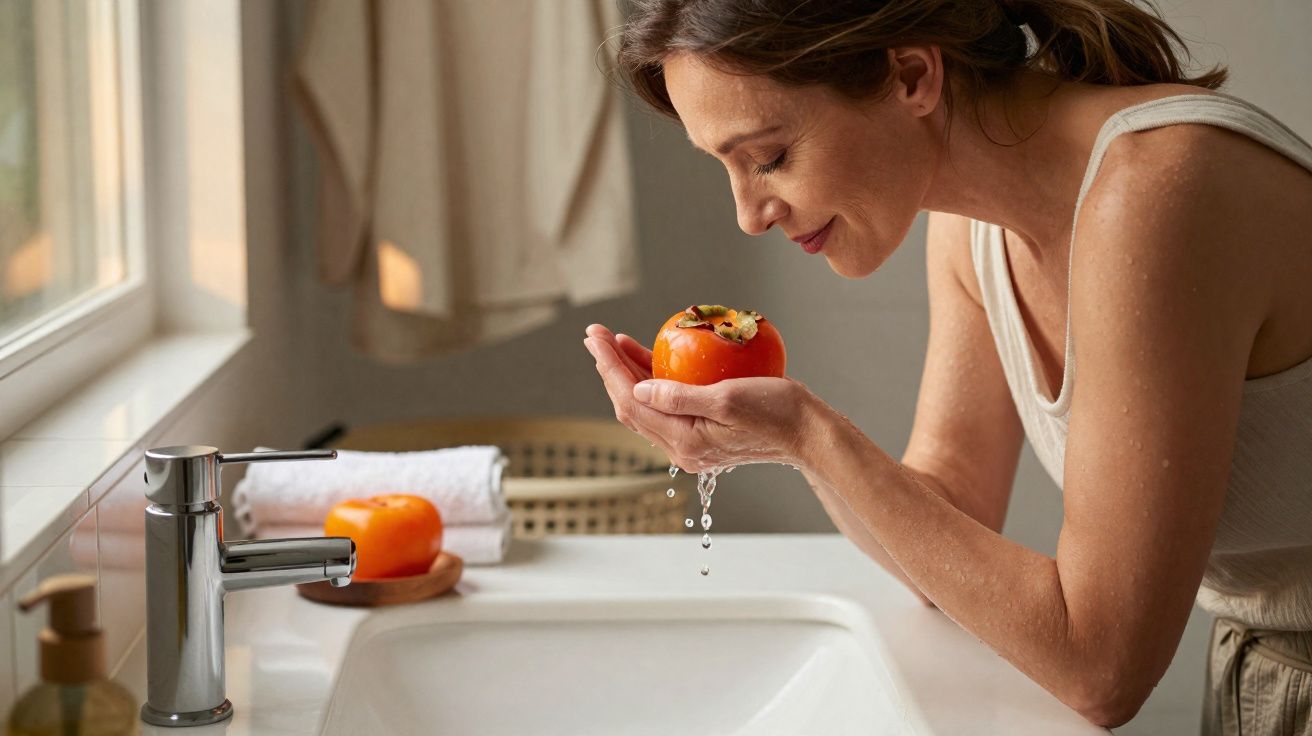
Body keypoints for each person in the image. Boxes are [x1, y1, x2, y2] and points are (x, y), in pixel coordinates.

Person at [580, 0, 1312, 733]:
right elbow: (945, 521)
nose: (749, 214)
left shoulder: (1154, 194)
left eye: (768, 156)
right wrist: (785, 443)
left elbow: (1100, 666)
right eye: (727, 167)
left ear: (910, 75)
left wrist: (813, 436)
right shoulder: (974, 228)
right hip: (1260, 672)